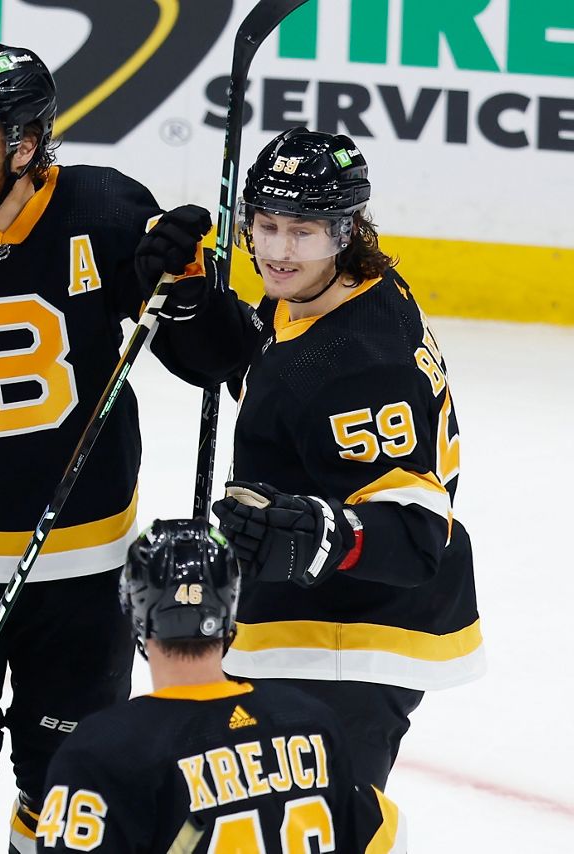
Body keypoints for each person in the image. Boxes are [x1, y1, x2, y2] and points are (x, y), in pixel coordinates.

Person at [0, 43, 210, 854]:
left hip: (82, 568)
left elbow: (215, 363)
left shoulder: (103, 208)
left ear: (27, 146)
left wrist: (191, 286)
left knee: (70, 788)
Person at [146, 127, 484, 788]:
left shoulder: (362, 365)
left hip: (350, 638)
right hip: (308, 609)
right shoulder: (333, 291)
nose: (276, 251)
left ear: (345, 229)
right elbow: (270, 378)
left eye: (301, 231)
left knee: (315, 827)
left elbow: (417, 538)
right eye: (265, 226)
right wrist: (191, 306)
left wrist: (320, 532)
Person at [38, 519, 406, 852]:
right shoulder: (311, 725)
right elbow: (386, 835)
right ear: (229, 615)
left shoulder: (101, 753)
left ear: (135, 616)